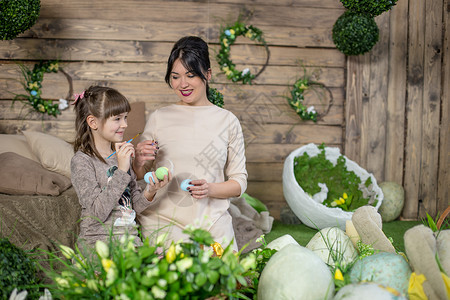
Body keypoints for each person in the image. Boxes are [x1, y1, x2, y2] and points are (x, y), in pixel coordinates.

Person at [133, 36, 248, 251]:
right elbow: (141, 177)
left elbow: (239, 182)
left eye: (190, 75)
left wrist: (210, 189)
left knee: (223, 278)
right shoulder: (159, 117)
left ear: (207, 74)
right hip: (164, 218)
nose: (182, 84)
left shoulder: (228, 121)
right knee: (176, 276)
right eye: (175, 77)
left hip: (212, 219)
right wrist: (139, 162)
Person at [70, 86, 171, 257]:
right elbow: (97, 212)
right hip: (98, 247)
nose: (125, 125)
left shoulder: (121, 157)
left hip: (130, 244)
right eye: (117, 119)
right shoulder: (82, 161)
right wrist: (122, 170)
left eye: (125, 118)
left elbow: (133, 206)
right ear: (93, 122)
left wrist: (150, 190)